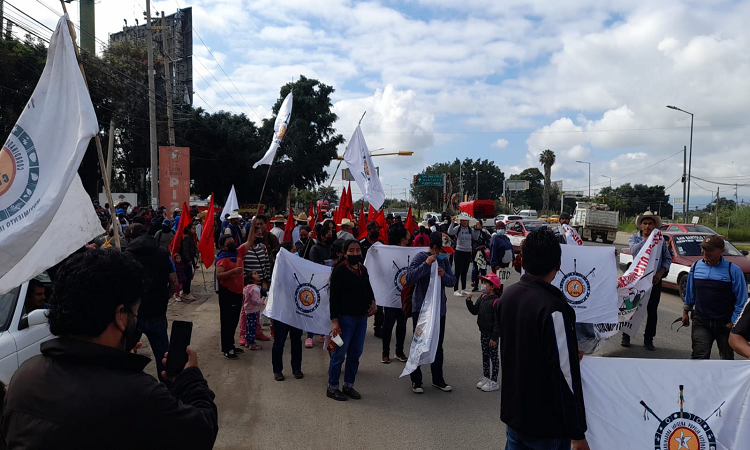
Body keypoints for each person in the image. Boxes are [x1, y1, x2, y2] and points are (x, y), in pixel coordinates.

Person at [2, 249, 219, 449]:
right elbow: (202, 432)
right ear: (120, 316)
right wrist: (191, 380)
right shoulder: (140, 395)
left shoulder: (24, 377)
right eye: (135, 312)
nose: (136, 320)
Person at [496, 230, 589, 450]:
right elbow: (565, 376)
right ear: (558, 264)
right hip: (546, 426)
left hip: (514, 416)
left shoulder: (507, 296)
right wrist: (577, 433)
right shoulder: (553, 308)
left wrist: (565, 350)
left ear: (523, 261)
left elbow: (523, 345)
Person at [123, 224, 178, 383]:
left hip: (134, 315)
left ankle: (128, 385)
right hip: (157, 313)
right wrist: (164, 298)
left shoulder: (126, 257)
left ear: (130, 239)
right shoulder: (163, 253)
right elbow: (174, 282)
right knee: (163, 355)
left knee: (124, 353)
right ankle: (169, 388)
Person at [681, 235, 748, 360]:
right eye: (703, 248)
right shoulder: (695, 267)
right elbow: (690, 292)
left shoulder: (733, 270)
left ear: (722, 251)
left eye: (710, 249)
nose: (705, 252)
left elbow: (742, 300)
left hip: (725, 323)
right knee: (699, 357)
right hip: (701, 321)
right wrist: (685, 312)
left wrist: (733, 322)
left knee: (726, 359)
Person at [405, 232, 457, 394]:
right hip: (421, 310)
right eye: (443, 250)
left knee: (438, 345)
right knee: (419, 343)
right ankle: (416, 380)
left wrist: (444, 275)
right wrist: (426, 265)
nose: (446, 254)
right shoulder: (420, 258)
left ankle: (438, 379)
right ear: (435, 247)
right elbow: (409, 278)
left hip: (439, 310)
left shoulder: (444, 261)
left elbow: (452, 281)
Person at [327, 240, 377, 401]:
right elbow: (333, 297)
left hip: (361, 319)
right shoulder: (339, 270)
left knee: (355, 354)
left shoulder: (362, 268)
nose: (355, 253)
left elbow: (368, 287)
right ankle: (332, 387)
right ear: (344, 252)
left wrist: (373, 301)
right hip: (345, 320)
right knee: (339, 354)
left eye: (357, 250)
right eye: (351, 250)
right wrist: (335, 320)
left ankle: (348, 385)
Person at [622, 211, 672, 351]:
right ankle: (626, 335)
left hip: (654, 280)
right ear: (641, 225)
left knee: (652, 311)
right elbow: (635, 251)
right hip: (637, 280)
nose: (647, 226)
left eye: (650, 224)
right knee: (631, 307)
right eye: (645, 223)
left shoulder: (660, 240)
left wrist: (660, 274)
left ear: (655, 226)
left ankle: (649, 339)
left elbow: (667, 259)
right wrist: (648, 240)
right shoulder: (635, 238)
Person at [465, 273, 502, 393]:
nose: (483, 285)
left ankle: (494, 381)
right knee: (485, 355)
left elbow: (498, 322)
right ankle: (486, 377)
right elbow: (475, 311)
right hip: (483, 332)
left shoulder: (496, 301)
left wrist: (494, 338)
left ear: (493, 286)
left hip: (492, 335)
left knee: (493, 357)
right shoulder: (482, 297)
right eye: (483, 282)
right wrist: (469, 302)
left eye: (486, 283)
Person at [215, 233, 250, 360]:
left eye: (232, 241)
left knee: (234, 320)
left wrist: (252, 227)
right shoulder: (222, 258)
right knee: (227, 321)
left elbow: (249, 242)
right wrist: (232, 272)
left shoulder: (237, 252)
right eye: (228, 242)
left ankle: (231, 345)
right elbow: (219, 276)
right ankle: (227, 349)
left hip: (237, 292)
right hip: (227, 293)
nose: (232, 244)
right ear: (222, 246)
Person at [381, 226, 411, 364]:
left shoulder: (409, 252)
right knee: (388, 324)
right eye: (407, 238)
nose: (409, 240)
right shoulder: (388, 253)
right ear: (402, 238)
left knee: (402, 325)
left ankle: (399, 351)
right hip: (391, 295)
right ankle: (385, 352)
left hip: (404, 295)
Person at [241, 226, 272, 345]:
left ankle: (257, 332)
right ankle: (243, 333)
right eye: (258, 234)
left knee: (257, 309)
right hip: (248, 285)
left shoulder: (262, 248)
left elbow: (266, 263)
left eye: (261, 234)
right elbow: (241, 264)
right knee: (245, 310)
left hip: (261, 283)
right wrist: (246, 280)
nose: (260, 236)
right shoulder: (244, 248)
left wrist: (267, 279)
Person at [448, 214, 479, 296]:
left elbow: (475, 237)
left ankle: (463, 289)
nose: (465, 222)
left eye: (466, 220)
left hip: (468, 252)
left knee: (464, 271)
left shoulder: (470, 229)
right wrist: (452, 223)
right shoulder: (458, 228)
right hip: (459, 251)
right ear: (461, 221)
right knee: (457, 271)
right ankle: (456, 290)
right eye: (463, 220)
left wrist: (477, 229)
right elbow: (450, 232)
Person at [242, 271, 265, 351]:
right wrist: (262, 301)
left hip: (247, 310)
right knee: (253, 327)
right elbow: (255, 300)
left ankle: (248, 341)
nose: (258, 275)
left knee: (249, 326)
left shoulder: (246, 288)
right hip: (253, 310)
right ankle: (252, 343)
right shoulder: (255, 288)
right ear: (251, 279)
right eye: (255, 274)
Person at [471, 221, 491, 292]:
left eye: (478, 224)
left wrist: (483, 246)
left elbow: (489, 243)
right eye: (476, 224)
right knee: (476, 270)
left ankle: (484, 286)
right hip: (474, 254)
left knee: (483, 271)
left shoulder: (484, 234)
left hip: (482, 254)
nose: (477, 226)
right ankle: (476, 286)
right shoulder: (472, 233)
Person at [180, 223, 198, 301]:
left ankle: (186, 292)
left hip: (190, 258)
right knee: (187, 277)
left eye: (195, 228)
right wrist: (188, 260)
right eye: (193, 229)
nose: (195, 230)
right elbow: (185, 250)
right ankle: (186, 293)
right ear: (189, 229)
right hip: (186, 260)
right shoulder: (186, 237)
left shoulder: (191, 237)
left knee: (189, 276)